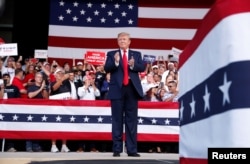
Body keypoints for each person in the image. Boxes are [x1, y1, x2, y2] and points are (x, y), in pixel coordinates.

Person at [104, 32, 145, 157]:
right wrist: (116, 62)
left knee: (131, 120)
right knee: (117, 120)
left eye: (124, 39)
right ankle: (117, 149)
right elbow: (107, 68)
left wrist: (133, 64)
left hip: (132, 90)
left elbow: (142, 67)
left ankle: (131, 149)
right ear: (117, 41)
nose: (122, 41)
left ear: (129, 41)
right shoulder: (112, 54)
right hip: (117, 90)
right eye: (120, 39)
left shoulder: (136, 54)